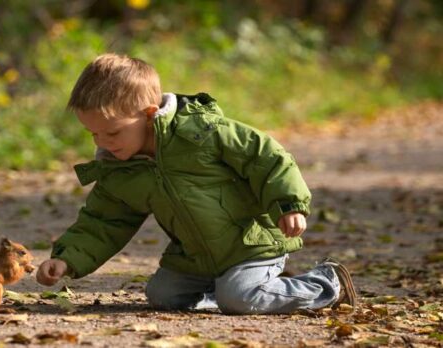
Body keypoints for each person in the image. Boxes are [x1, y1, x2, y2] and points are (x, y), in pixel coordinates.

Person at [36, 53, 356, 314]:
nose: (103, 142)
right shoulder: (118, 169)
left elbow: (266, 156)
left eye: (113, 132)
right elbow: (103, 221)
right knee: (162, 295)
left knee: (239, 299)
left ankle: (326, 282)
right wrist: (67, 259)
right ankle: (237, 290)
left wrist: (288, 203)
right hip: (196, 258)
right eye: (93, 133)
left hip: (253, 244)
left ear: (148, 114)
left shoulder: (200, 131)